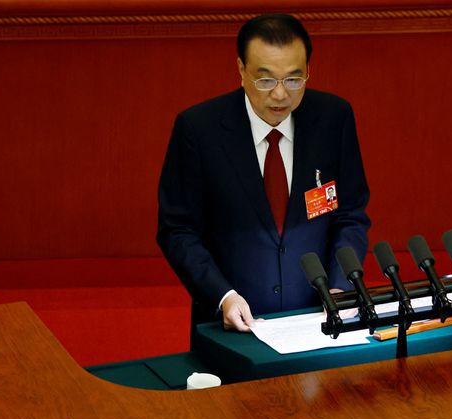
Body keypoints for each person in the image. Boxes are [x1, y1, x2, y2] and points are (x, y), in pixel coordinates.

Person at [156, 13, 371, 335]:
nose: (281, 94)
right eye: (266, 80)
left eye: (294, 79)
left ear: (309, 71)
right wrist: (222, 296)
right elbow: (177, 229)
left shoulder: (333, 118)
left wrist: (340, 287)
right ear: (241, 70)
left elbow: (350, 214)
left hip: (319, 320)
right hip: (232, 323)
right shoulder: (199, 130)